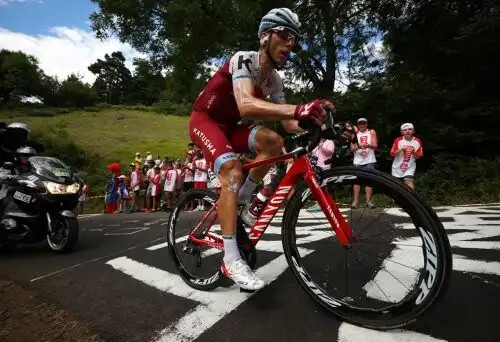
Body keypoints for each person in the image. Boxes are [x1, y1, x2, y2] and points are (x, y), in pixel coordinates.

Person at [188, 7, 334, 291]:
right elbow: (245, 104)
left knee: (274, 141)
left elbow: (289, 123)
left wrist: (316, 120)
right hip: (205, 121)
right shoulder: (244, 60)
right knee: (231, 169)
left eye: (294, 38)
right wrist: (299, 109)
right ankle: (230, 260)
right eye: (284, 34)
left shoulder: (274, 80)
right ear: (266, 36)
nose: (291, 43)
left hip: (232, 127)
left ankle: (242, 198)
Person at [350, 117, 378, 209]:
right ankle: (355, 201)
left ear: (367, 124)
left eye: (364, 123)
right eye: (360, 124)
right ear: (358, 125)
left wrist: (368, 145)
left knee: (369, 181)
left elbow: (375, 146)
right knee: (356, 181)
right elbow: (351, 149)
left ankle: (368, 201)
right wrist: (359, 146)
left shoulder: (371, 132)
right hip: (357, 161)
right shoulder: (354, 134)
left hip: (369, 160)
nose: (362, 125)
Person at [390, 123, 423, 189]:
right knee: (397, 185)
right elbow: (392, 154)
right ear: (401, 132)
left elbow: (418, 157)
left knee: (408, 181)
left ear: (413, 131)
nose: (407, 131)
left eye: (410, 129)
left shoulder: (418, 141)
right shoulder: (398, 140)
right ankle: (396, 199)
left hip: (410, 167)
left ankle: (411, 198)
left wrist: (413, 152)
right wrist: (401, 149)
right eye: (405, 130)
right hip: (397, 167)